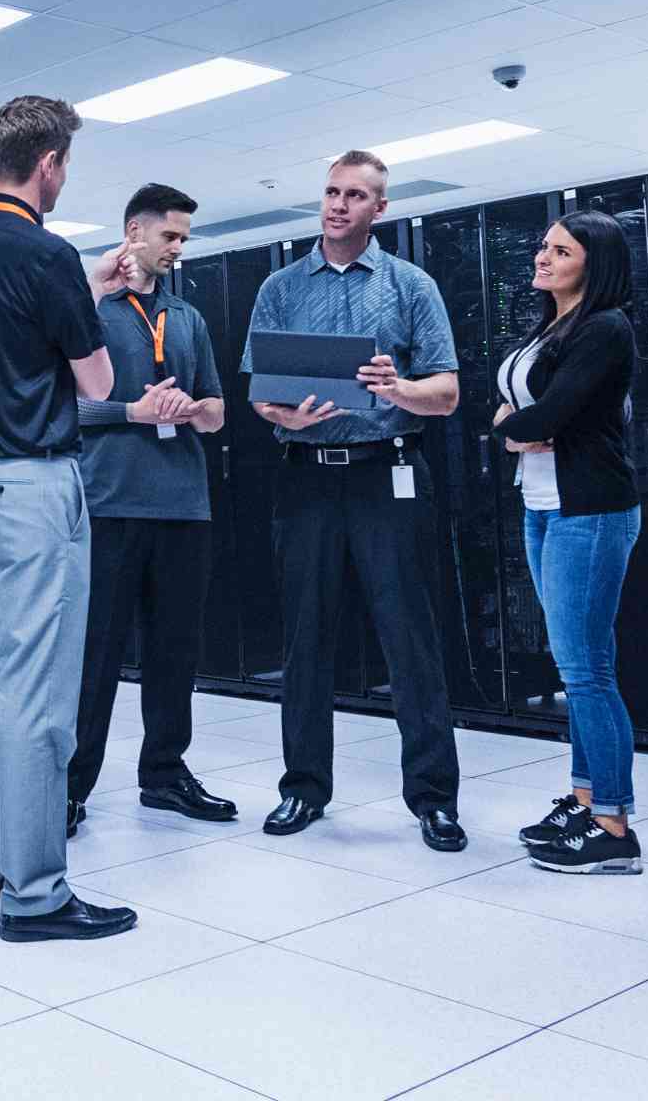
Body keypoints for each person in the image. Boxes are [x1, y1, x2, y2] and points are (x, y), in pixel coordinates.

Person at [0, 94, 139, 944]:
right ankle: (38, 894)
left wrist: (81, 288)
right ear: (49, 163)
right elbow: (95, 385)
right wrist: (86, 298)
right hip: (31, 489)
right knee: (37, 689)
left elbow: (12, 325)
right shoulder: (45, 252)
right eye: (66, 166)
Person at [243, 150, 467, 850]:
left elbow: (448, 395)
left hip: (385, 474)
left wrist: (396, 388)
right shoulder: (280, 286)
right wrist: (287, 418)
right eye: (333, 191)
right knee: (305, 637)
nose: (339, 205)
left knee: (410, 638)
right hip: (307, 475)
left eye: (356, 195)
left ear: (380, 209)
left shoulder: (411, 286)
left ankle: (433, 799)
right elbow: (261, 394)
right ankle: (303, 790)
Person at [64, 183, 236, 836]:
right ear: (134, 231)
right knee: (96, 656)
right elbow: (61, 407)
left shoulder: (186, 318)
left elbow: (218, 411)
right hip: (108, 506)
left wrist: (187, 409)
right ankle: (70, 787)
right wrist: (132, 411)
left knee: (175, 653)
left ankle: (164, 775)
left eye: (185, 238)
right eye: (171, 236)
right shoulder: (91, 313)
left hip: (184, 509)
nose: (179, 248)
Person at [488, 211, 647, 875]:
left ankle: (613, 824)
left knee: (587, 671)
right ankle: (584, 799)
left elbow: (549, 417)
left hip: (592, 512)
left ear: (595, 262)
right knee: (577, 666)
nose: (543, 258)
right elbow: (509, 416)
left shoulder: (606, 329)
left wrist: (517, 425)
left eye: (561, 250)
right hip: (545, 507)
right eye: (542, 245)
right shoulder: (552, 327)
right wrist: (515, 426)